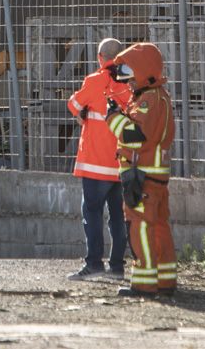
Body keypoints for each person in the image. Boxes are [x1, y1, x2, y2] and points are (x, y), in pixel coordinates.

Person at [106, 42, 177, 298]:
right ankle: (165, 280)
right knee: (158, 226)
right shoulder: (160, 97)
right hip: (154, 175)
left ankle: (144, 283)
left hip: (142, 175)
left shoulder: (148, 101)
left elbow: (135, 137)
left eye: (130, 75)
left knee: (140, 228)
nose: (129, 83)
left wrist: (113, 117)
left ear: (144, 71)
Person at [65, 37, 131, 281]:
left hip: (95, 164)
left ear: (99, 58)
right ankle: (117, 267)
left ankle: (94, 264)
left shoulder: (94, 80)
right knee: (118, 216)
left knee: (91, 213)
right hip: (122, 162)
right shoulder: (129, 83)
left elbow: (73, 104)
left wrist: (83, 112)